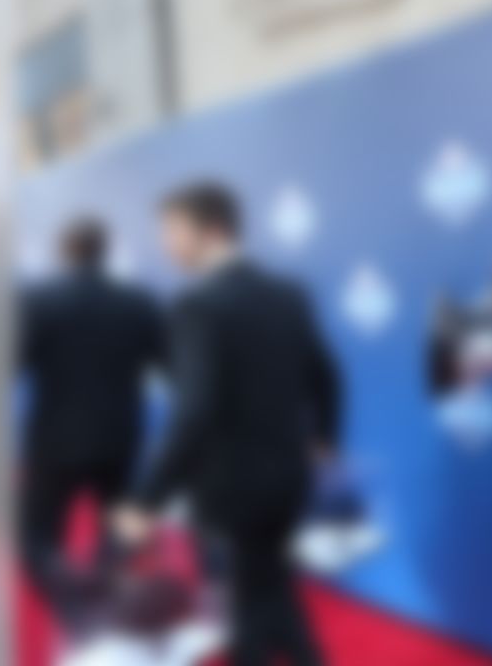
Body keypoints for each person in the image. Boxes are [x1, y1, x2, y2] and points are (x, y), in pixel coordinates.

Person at [112, 181, 342, 666]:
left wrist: (145, 501)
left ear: (212, 230)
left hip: (235, 490)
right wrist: (326, 437)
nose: (166, 244)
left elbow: (193, 411)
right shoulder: (288, 292)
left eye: (174, 230)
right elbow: (326, 374)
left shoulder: (195, 306)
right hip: (288, 478)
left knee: (251, 614)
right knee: (273, 590)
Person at [18, 217, 165, 626]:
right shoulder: (139, 301)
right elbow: (167, 363)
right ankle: (104, 588)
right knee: (118, 525)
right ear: (106, 250)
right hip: (120, 438)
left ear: (63, 251)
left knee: (36, 535)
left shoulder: (37, 299)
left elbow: (12, 362)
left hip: (54, 441)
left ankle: (72, 604)